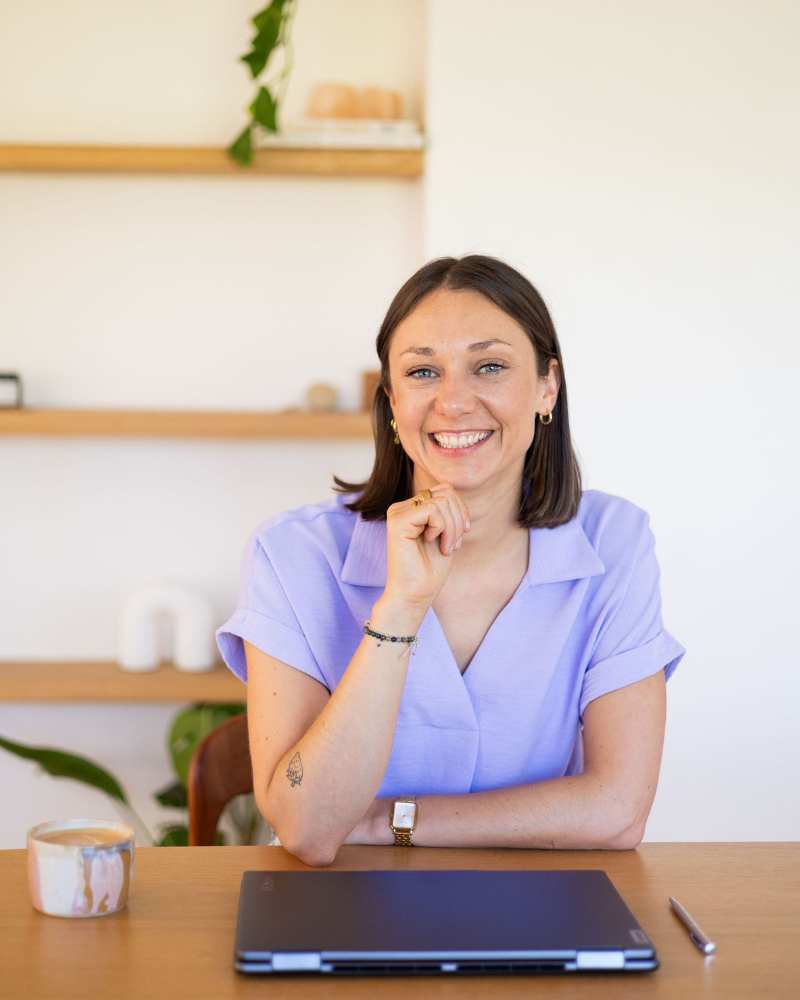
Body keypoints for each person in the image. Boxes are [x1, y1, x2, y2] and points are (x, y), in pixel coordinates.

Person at [216, 254, 686, 866]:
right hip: (344, 908)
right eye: (422, 372)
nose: (454, 402)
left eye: (489, 366)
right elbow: (307, 827)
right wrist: (402, 607)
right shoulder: (293, 553)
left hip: (537, 905)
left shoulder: (615, 539)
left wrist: (391, 822)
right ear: (391, 400)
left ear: (548, 386)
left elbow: (618, 810)